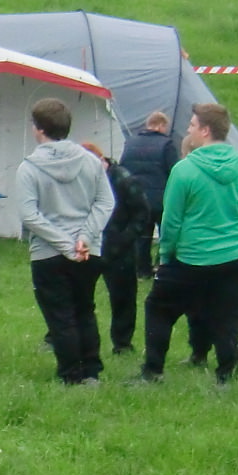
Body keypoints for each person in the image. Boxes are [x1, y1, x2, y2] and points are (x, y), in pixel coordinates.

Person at [141, 103, 238, 386]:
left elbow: (172, 221)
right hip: (234, 257)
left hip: (190, 257)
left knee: (159, 308)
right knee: (229, 317)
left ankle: (153, 371)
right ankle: (226, 376)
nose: (188, 130)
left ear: (205, 131)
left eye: (192, 125)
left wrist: (166, 254)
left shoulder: (185, 171)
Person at [15, 97, 115, 385]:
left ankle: (71, 374)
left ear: (38, 129)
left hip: (48, 253)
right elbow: (105, 202)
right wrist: (84, 237)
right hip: (88, 251)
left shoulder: (29, 168)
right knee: (85, 309)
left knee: (60, 315)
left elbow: (29, 215)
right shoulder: (91, 161)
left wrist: (65, 244)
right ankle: (91, 371)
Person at [83, 142, 151, 355]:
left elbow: (142, 213)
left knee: (123, 298)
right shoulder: (81, 180)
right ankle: (69, 338)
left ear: (100, 160)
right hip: (88, 246)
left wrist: (124, 239)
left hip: (120, 250)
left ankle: (122, 344)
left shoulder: (124, 179)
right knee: (78, 294)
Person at [120, 111, 182, 277]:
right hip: (161, 199)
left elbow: (123, 168)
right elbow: (174, 172)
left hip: (138, 197)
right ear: (161, 125)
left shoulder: (130, 143)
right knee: (166, 235)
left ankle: (142, 270)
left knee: (142, 236)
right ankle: (164, 266)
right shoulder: (167, 144)